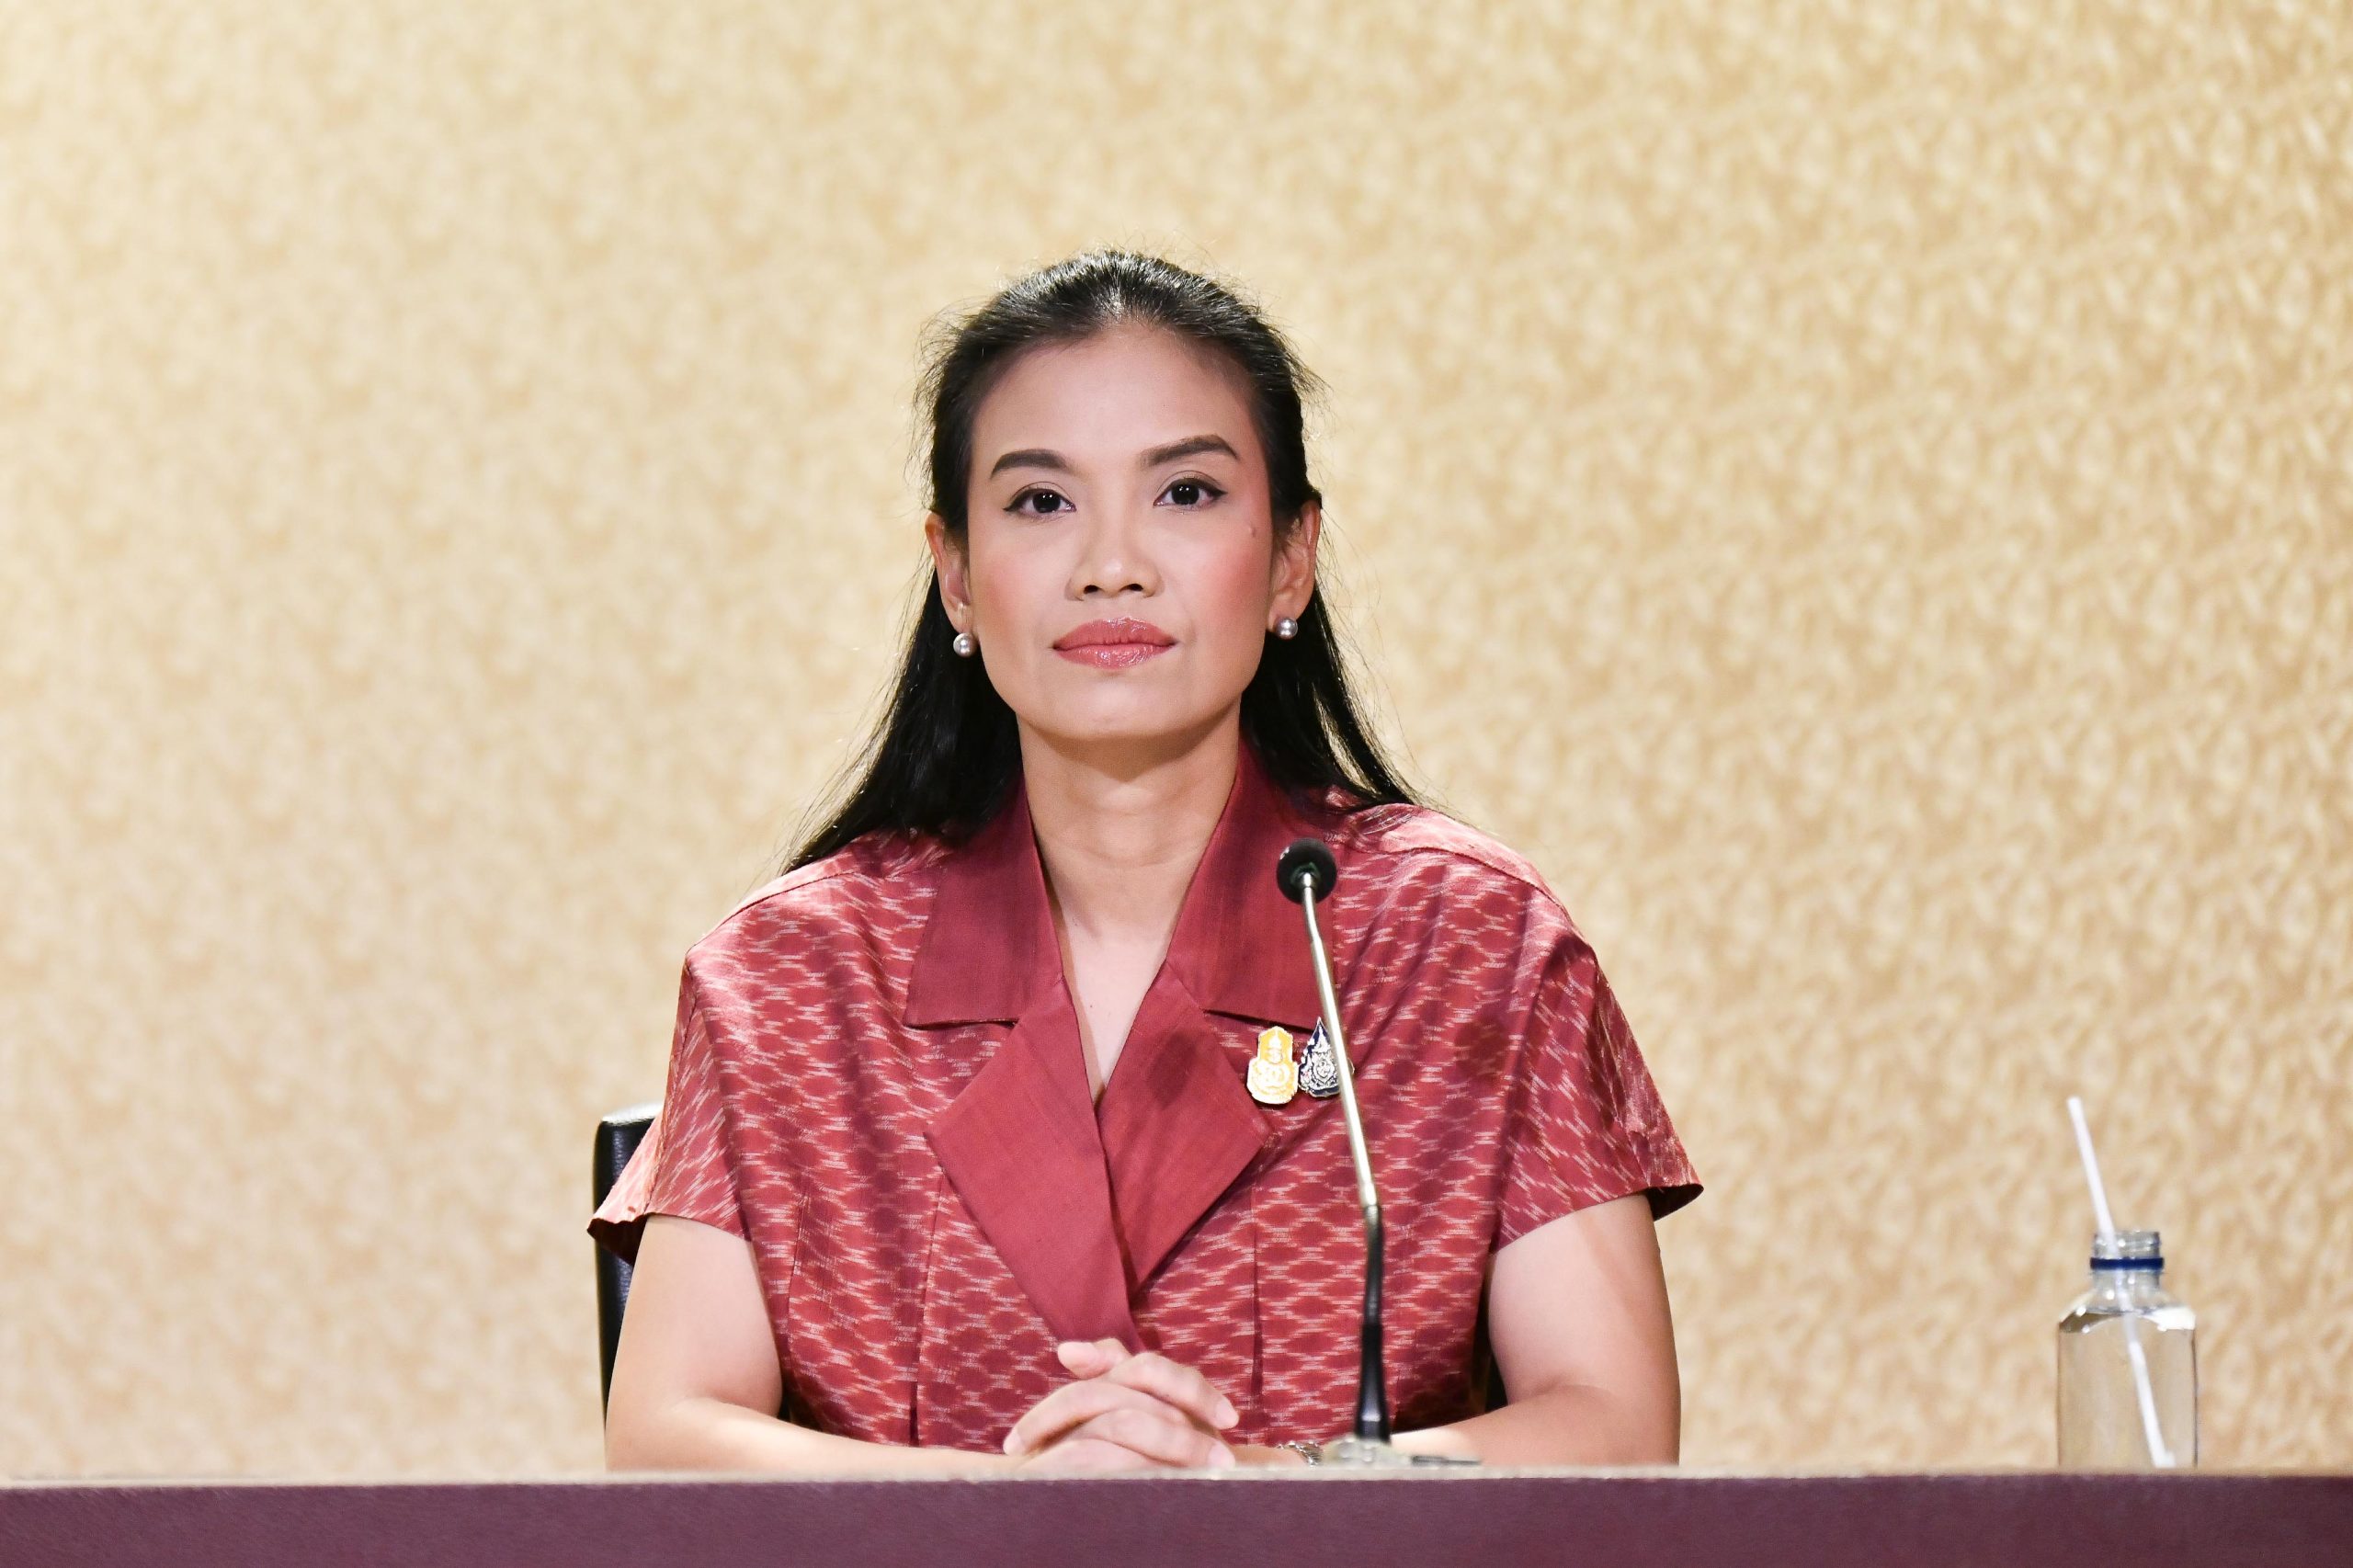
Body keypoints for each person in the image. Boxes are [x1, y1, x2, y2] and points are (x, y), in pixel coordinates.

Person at [588, 250, 1701, 1474]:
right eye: (1040, 502)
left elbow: (1612, 1427)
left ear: (1292, 557)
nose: (1110, 564)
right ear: (955, 575)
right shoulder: (792, 976)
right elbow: (666, 1443)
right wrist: (1010, 1510)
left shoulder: (1467, 940)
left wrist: (1262, 1489)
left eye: (1185, 492)